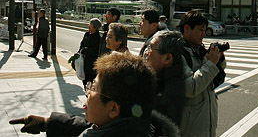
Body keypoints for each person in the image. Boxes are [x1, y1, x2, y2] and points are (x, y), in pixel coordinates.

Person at [9, 53, 167, 137]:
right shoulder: (140, 125)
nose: (87, 93)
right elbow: (93, 126)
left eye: (94, 88)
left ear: (113, 108)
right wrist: (47, 122)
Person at [179, 10, 225, 137]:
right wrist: (211, 63)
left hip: (206, 124)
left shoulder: (199, 50)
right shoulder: (178, 54)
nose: (204, 34)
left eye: (205, 30)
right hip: (190, 129)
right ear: (187, 28)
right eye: (200, 30)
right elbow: (190, 88)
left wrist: (219, 59)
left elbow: (214, 76)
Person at [78, 18, 106, 85]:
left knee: (89, 81)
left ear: (95, 27)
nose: (89, 25)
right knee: (84, 80)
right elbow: (82, 44)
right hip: (83, 61)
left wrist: (85, 51)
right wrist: (79, 52)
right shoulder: (87, 34)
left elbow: (95, 51)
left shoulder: (98, 38)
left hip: (91, 64)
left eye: (90, 24)